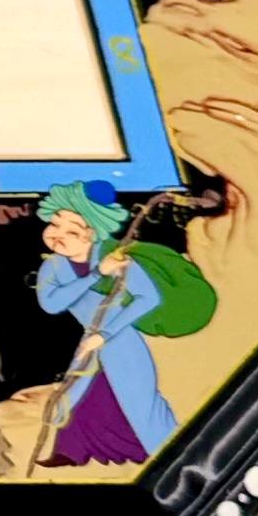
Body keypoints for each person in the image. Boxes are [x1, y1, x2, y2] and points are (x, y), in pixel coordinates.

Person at [33, 179, 174, 464]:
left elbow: (148, 298)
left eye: (72, 231)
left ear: (92, 234)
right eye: (55, 224)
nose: (58, 235)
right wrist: (97, 274)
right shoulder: (54, 266)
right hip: (91, 338)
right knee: (79, 394)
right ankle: (72, 452)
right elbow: (51, 304)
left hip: (121, 339)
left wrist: (106, 334)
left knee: (136, 397)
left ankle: (160, 450)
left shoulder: (117, 260)